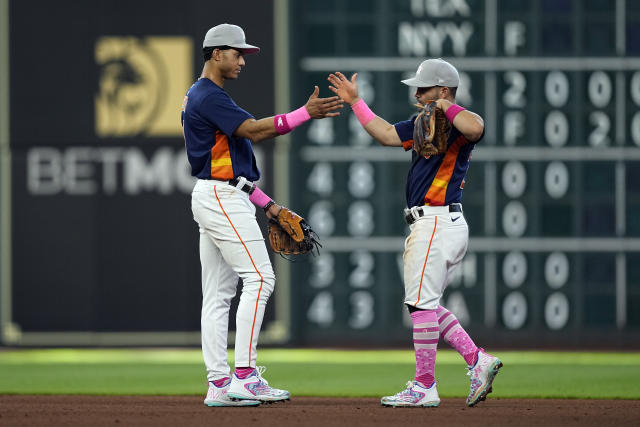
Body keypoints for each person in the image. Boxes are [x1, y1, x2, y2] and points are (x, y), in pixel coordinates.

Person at [182, 23, 343, 407]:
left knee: (219, 295)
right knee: (260, 278)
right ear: (215, 53)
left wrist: (267, 204)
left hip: (221, 193)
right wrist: (304, 114)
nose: (242, 60)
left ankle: (219, 384)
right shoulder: (208, 95)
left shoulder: (203, 95)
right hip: (220, 197)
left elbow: (233, 168)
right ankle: (245, 376)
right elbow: (254, 130)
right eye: (237, 53)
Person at [328, 58, 502, 408]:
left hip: (437, 221)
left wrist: (445, 104)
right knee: (428, 304)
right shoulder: (424, 121)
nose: (417, 93)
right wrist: (355, 102)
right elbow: (386, 134)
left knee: (420, 304)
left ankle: (424, 385)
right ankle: (477, 360)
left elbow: (476, 127)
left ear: (442, 89)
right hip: (438, 223)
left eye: (423, 88)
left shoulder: (454, 120)